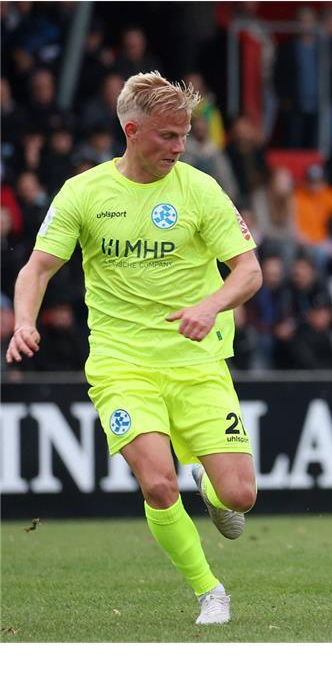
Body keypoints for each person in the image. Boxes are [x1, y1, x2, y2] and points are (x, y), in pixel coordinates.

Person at [5, 71, 263, 626]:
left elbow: (249, 270)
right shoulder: (83, 192)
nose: (179, 147)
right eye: (168, 136)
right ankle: (209, 591)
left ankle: (214, 490)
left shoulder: (199, 188)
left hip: (196, 359)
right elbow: (38, 267)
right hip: (122, 363)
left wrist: (210, 305)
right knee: (157, 481)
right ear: (132, 130)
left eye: (184, 135)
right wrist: (24, 320)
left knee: (240, 496)